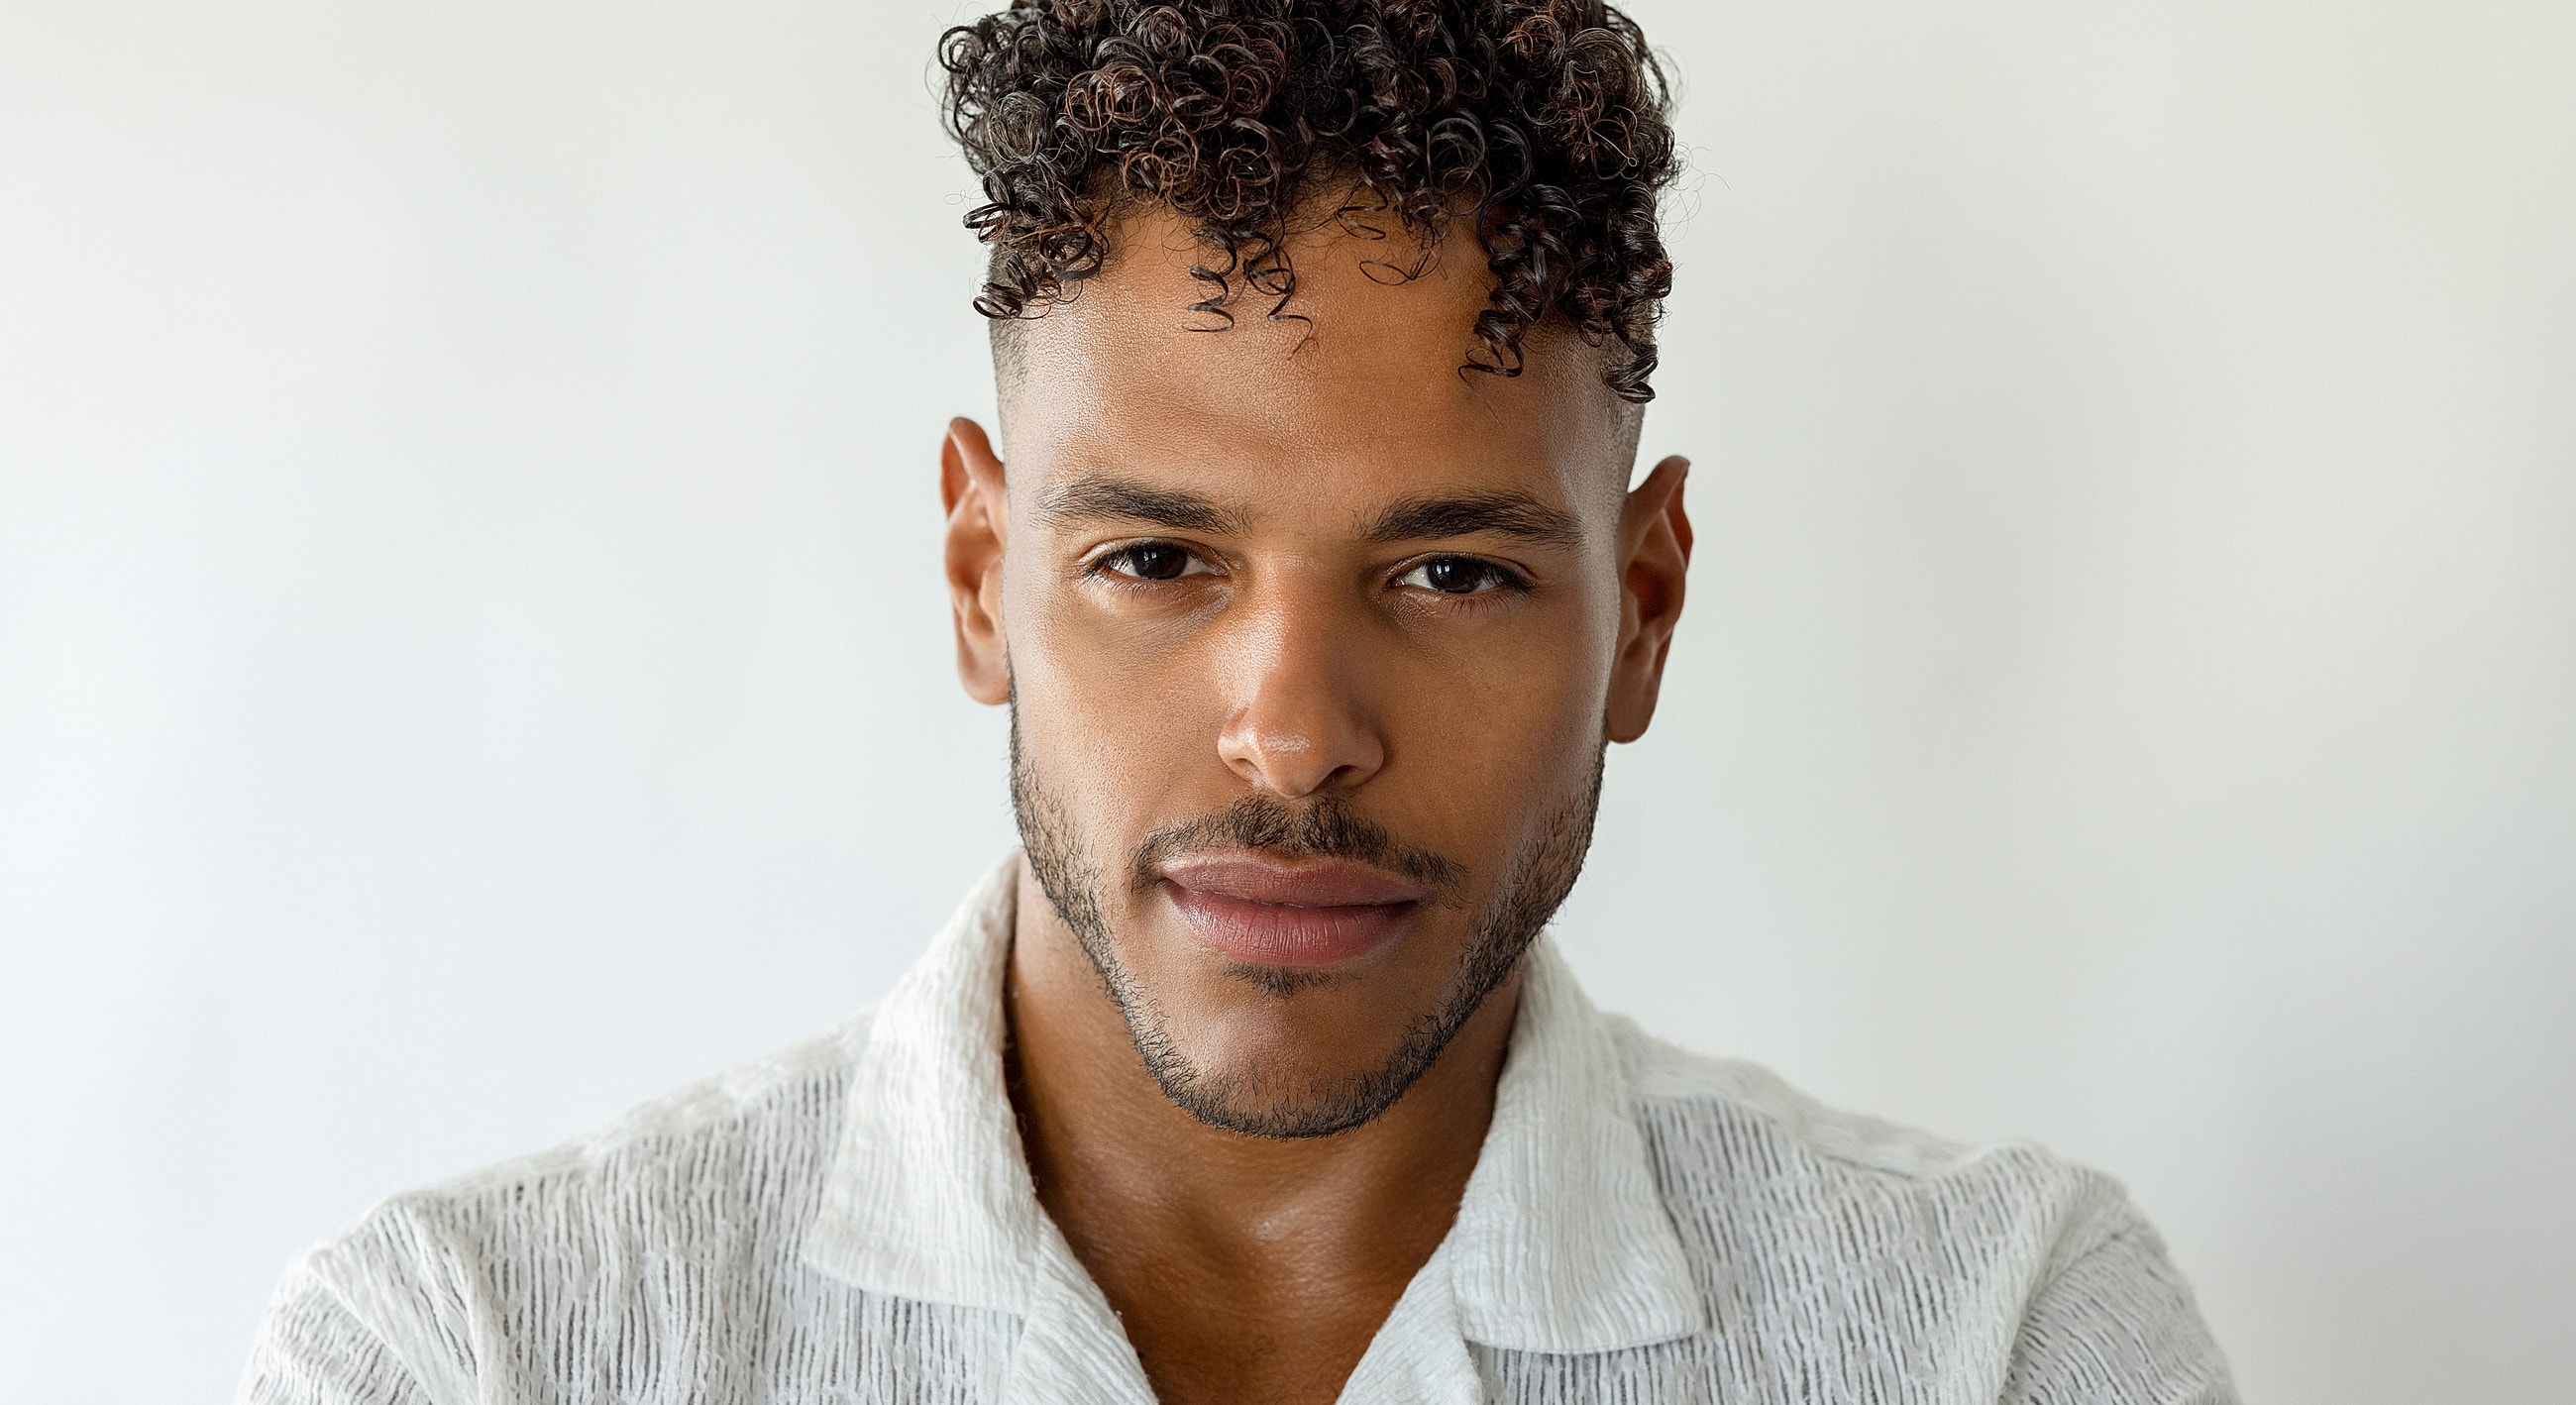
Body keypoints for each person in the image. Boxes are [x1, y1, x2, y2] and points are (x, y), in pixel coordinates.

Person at [239, 2, 2237, 1401]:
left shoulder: (1992, 1339)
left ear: (1641, 612)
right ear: (980, 577)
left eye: (1450, 573)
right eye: (1156, 561)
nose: (1292, 734)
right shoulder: (472, 1352)